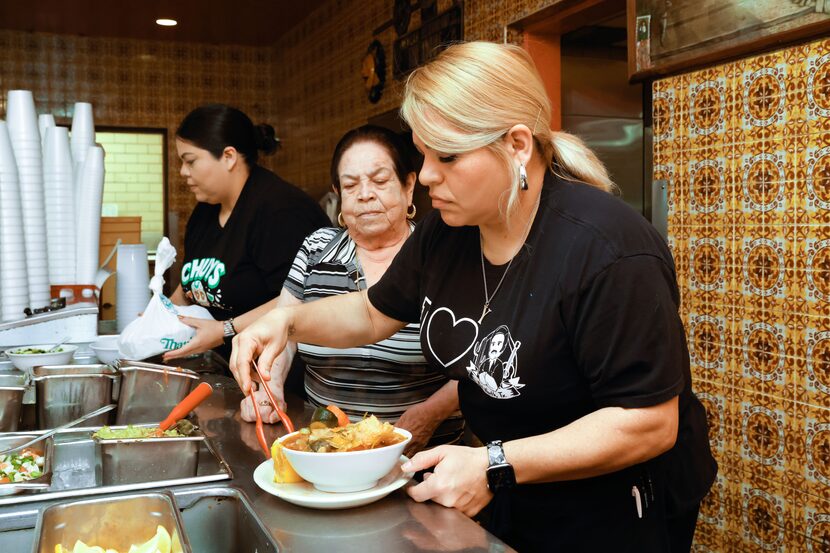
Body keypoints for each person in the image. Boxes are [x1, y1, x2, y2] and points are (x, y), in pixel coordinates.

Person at [230, 42, 716, 552]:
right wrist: (287, 322)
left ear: (517, 145)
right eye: (423, 154)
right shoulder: (448, 232)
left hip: (613, 507)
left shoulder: (608, 250)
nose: (429, 176)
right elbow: (371, 312)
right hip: (514, 485)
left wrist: (496, 463)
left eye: (447, 156)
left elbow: (649, 424)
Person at [238, 125, 464, 454]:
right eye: (350, 184)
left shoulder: (443, 254)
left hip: (426, 455)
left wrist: (429, 415)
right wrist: (269, 389)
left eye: (380, 181)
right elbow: (284, 336)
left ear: (409, 185)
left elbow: (476, 360)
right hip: (328, 450)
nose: (365, 194)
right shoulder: (316, 249)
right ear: (338, 195)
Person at [163, 104, 330, 361]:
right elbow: (189, 287)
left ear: (228, 157)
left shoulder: (280, 210)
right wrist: (158, 316)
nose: (183, 172)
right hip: (227, 363)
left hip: (280, 369)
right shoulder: (204, 213)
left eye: (191, 161)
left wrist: (224, 330)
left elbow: (303, 297)